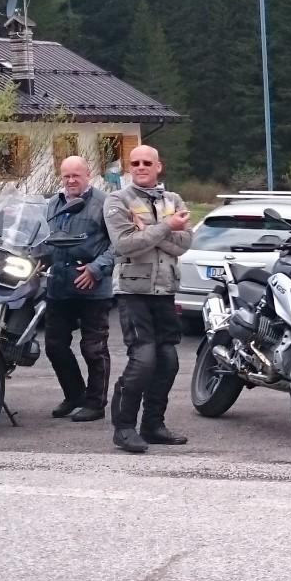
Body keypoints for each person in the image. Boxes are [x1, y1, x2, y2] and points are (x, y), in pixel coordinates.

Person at [103, 145, 191, 453]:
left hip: (165, 291)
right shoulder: (117, 200)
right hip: (133, 292)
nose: (140, 167)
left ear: (158, 166)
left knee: (168, 361)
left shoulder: (174, 200)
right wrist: (167, 227)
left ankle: (153, 425)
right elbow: (124, 245)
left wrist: (151, 231)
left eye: (146, 162)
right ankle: (124, 428)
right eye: (135, 163)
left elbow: (184, 245)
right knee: (143, 360)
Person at [42, 155, 116, 423]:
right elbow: (43, 238)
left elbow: (118, 243)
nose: (71, 180)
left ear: (88, 175)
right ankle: (74, 395)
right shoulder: (52, 204)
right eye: (66, 176)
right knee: (54, 346)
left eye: (76, 175)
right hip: (59, 286)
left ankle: (96, 403)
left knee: (93, 348)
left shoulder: (105, 204)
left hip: (92, 289)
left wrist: (96, 269)